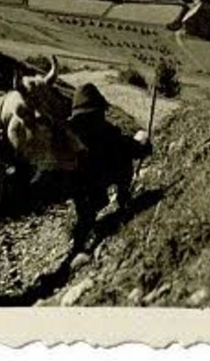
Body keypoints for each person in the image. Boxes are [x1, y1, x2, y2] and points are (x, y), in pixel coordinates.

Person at [64, 83, 150, 256]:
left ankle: (80, 241)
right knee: (91, 207)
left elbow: (130, 147)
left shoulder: (72, 138)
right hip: (92, 184)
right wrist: (144, 146)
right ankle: (122, 201)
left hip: (83, 188)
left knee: (87, 212)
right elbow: (133, 149)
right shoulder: (108, 134)